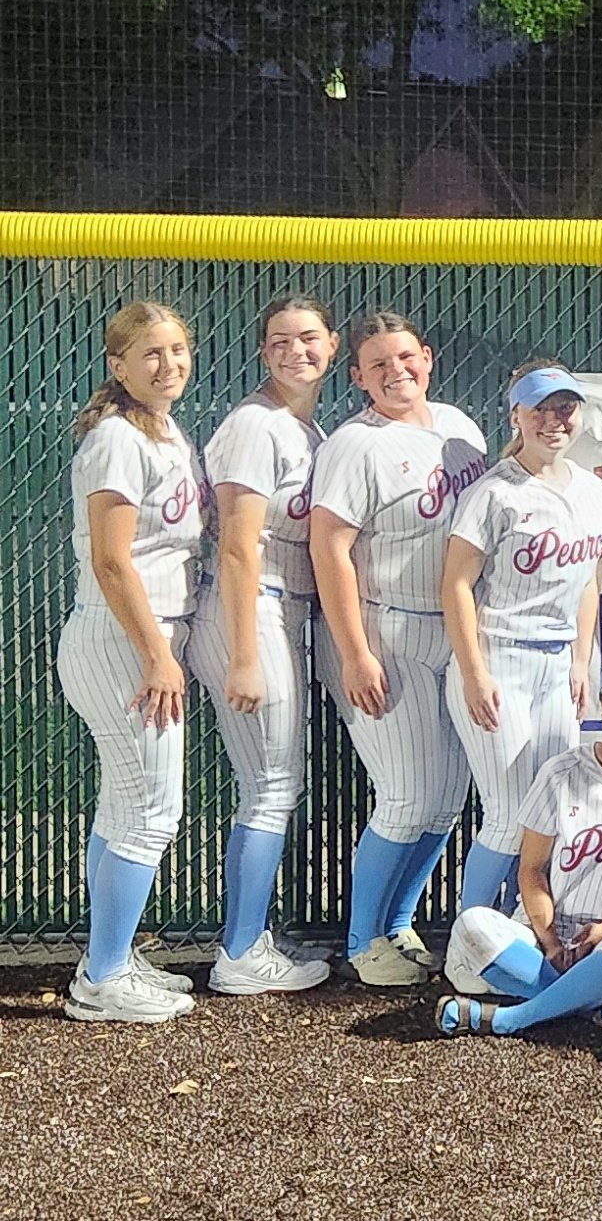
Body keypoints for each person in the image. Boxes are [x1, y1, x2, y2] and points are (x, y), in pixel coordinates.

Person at [311, 311, 488, 986]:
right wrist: (356, 652)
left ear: (429, 358)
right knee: (409, 794)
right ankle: (362, 942)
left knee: (446, 796)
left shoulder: (460, 429)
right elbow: (329, 548)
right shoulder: (356, 444)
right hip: (385, 628)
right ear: (356, 376)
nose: (396, 372)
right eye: (378, 364)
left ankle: (398, 923)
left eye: (405, 357)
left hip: (452, 629)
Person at [183, 295, 339, 994]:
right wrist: (245, 652)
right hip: (248, 609)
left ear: (332, 346)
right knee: (270, 786)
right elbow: (240, 546)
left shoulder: (309, 430)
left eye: (308, 338)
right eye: (279, 340)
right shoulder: (254, 425)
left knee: (273, 784)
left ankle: (250, 938)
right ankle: (241, 952)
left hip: (279, 611)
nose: (295, 350)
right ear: (261, 351)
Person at [59, 301, 208, 1023]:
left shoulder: (163, 428)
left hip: (135, 638)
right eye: (150, 353)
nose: (168, 364)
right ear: (117, 365)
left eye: (177, 349)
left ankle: (107, 956)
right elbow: (111, 560)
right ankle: (103, 977)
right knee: (152, 811)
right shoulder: (119, 436)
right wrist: (157, 655)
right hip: (122, 639)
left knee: (126, 807)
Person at [441, 363, 602, 913]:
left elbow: (590, 582)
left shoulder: (592, 491)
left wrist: (582, 662)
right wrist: (473, 672)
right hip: (499, 659)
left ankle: (522, 927)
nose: (553, 420)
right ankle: (469, 937)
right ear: (515, 414)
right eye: (539, 407)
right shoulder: (494, 492)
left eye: (564, 407)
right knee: (511, 810)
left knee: (550, 811)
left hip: (557, 664)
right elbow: (457, 584)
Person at [435, 652, 602, 1037]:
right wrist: (549, 941)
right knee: (471, 925)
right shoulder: (564, 770)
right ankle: (593, 1007)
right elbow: (531, 869)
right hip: (542, 931)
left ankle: (511, 1018)